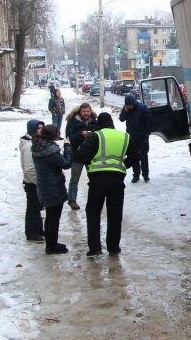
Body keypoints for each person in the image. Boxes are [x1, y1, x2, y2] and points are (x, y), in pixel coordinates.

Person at [77, 112, 139, 256]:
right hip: (117, 180)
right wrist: (123, 165)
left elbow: (82, 156)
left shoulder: (96, 135)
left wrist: (91, 163)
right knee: (115, 214)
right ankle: (113, 247)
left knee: (93, 213)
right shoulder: (124, 136)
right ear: (112, 122)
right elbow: (136, 155)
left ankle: (95, 248)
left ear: (99, 123)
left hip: (97, 181)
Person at [31, 123, 71, 254]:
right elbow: (66, 164)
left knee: (50, 217)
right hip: (53, 188)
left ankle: (51, 243)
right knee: (53, 218)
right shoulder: (51, 152)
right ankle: (52, 246)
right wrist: (67, 148)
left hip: (44, 186)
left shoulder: (37, 146)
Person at [63, 102, 97, 211]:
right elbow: (69, 138)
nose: (86, 113)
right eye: (84, 111)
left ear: (90, 111)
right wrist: (81, 134)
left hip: (90, 155)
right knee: (74, 179)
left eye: (88, 111)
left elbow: (100, 135)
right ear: (80, 111)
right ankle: (72, 200)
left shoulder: (94, 122)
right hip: (77, 154)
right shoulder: (72, 122)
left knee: (94, 178)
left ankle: (94, 198)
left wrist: (92, 134)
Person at [18, 119, 44, 243]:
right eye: (39, 128)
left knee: (36, 207)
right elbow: (29, 168)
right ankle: (32, 233)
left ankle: (38, 230)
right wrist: (37, 182)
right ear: (33, 129)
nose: (42, 130)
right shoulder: (29, 146)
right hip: (32, 182)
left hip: (33, 181)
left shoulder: (32, 142)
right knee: (33, 208)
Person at [118, 93, 153, 183]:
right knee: (133, 156)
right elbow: (121, 119)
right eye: (127, 105)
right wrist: (125, 110)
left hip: (142, 137)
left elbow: (149, 122)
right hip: (131, 137)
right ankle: (136, 175)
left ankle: (145, 175)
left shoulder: (142, 108)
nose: (129, 107)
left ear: (134, 103)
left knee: (143, 156)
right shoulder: (126, 108)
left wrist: (146, 134)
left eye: (130, 105)